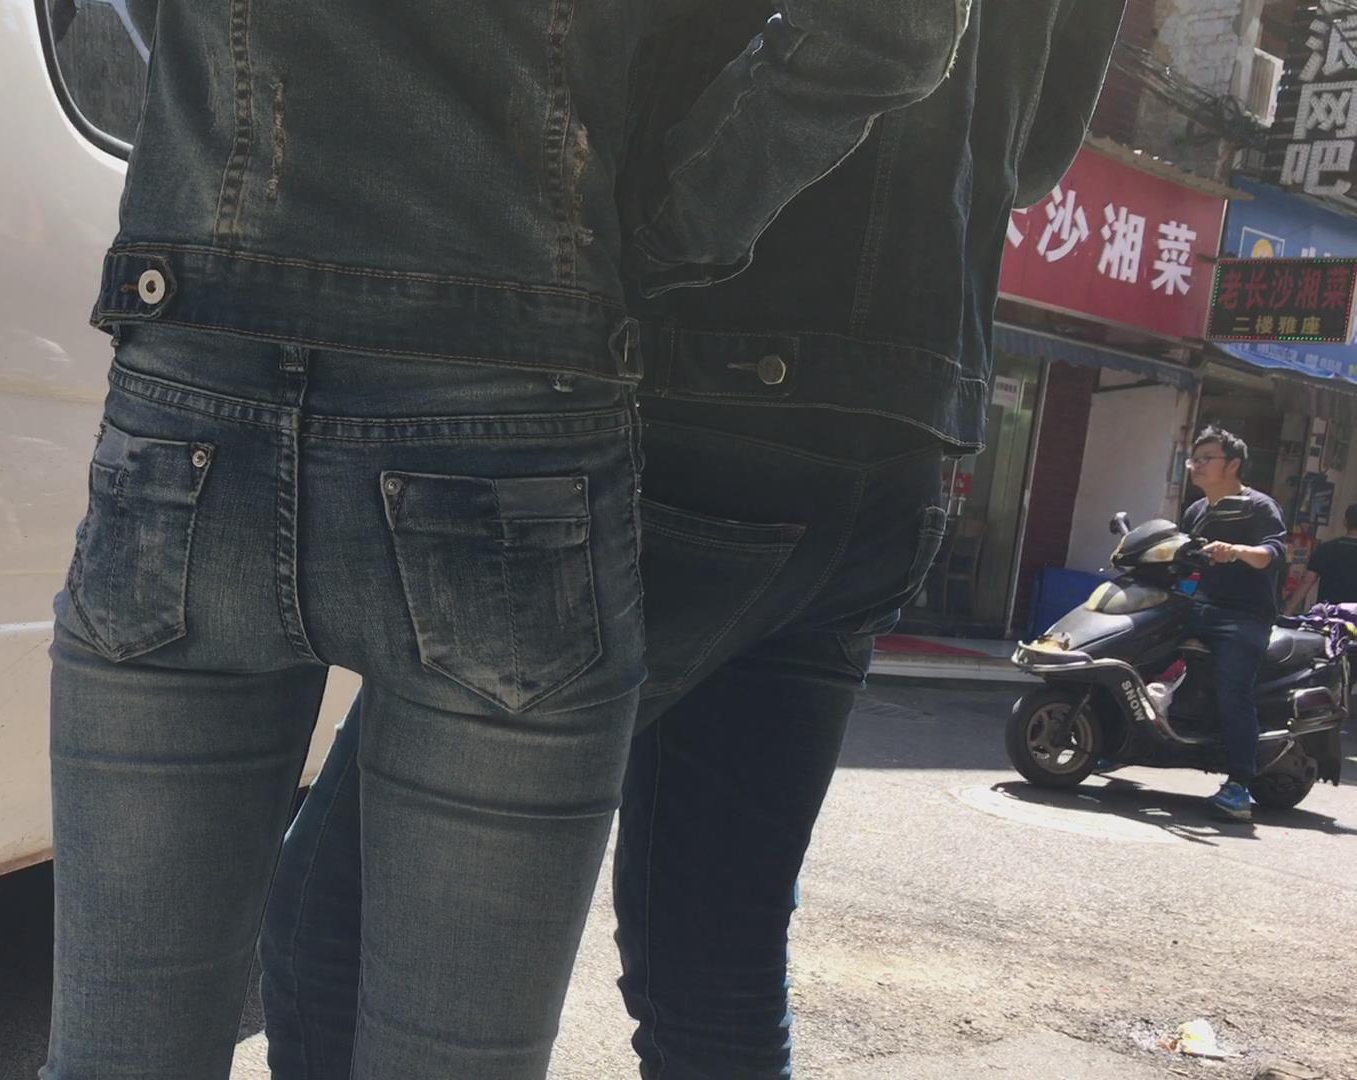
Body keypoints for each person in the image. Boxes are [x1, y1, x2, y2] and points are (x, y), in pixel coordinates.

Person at [42, 1, 969, 1078]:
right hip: (511, 403)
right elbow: (891, 24)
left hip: (196, 381)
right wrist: (660, 231)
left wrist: (199, 136)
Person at [260, 1, 1125, 1077]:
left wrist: (657, 236)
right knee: (715, 963)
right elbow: (1031, 157)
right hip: (902, 437)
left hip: (684, 382)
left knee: (345, 927)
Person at [1182, 426, 1289, 821]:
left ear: (1233, 465)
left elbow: (1271, 553)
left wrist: (1237, 550)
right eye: (1194, 459)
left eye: (1206, 458)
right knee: (1140, 649)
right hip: (1200, 607)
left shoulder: (1259, 506)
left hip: (1244, 615)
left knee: (1233, 690)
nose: (1197, 465)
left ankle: (1239, 786)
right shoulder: (1196, 511)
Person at [1285, 504, 1357, 614]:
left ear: (1345, 522)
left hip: (1328, 613)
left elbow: (1307, 581)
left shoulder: (1326, 548)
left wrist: (1288, 611)